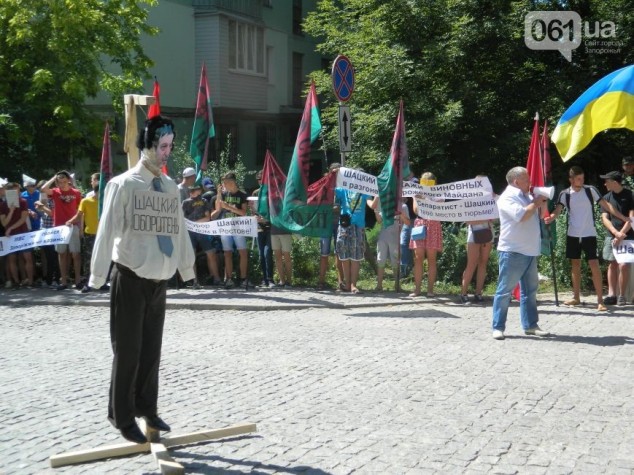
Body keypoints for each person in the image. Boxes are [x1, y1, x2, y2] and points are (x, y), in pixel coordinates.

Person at [88, 116, 195, 444]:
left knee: (151, 350)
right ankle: (122, 416)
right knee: (128, 349)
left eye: (170, 146)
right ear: (147, 145)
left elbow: (179, 231)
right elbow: (106, 230)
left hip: (158, 282)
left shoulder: (170, 189)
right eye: (162, 146)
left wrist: (186, 268)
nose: (167, 152)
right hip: (131, 277)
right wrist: (97, 274)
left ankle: (148, 408)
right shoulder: (123, 185)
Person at [545, 166, 628, 311]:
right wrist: (550, 218)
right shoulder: (565, 194)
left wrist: (622, 217)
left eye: (582, 178)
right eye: (579, 179)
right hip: (572, 234)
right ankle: (576, 297)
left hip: (589, 234)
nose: (582, 181)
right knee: (575, 264)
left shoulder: (590, 190)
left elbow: (607, 205)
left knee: (594, 264)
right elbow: (557, 211)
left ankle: (600, 301)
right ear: (571, 179)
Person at [491, 167, 550, 340]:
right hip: (513, 251)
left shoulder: (527, 196)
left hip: (530, 250)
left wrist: (542, 201)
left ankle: (531, 325)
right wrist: (536, 202)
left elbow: (541, 216)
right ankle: (498, 327)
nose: (530, 182)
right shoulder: (507, 197)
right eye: (526, 179)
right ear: (516, 181)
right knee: (505, 291)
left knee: (530, 292)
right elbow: (522, 216)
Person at [41, 170, 83, 290]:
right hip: (59, 227)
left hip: (73, 226)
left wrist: (80, 228)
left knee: (76, 254)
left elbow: (80, 211)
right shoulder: (55, 192)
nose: (62, 184)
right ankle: (63, 281)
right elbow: (43, 189)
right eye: (60, 182)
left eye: (64, 181)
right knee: (62, 254)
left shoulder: (76, 193)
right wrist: (54, 177)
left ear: (68, 180)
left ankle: (78, 281)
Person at [599, 171, 634, 306]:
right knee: (612, 263)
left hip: (628, 236)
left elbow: (631, 218)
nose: (605, 184)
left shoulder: (630, 195)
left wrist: (621, 234)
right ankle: (611, 295)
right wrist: (615, 233)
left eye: (607, 181)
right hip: (611, 236)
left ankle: (622, 296)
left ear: (614, 182)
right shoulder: (606, 197)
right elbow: (604, 218)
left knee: (624, 265)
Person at [459, 176, 495, 304]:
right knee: (472, 263)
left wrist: (486, 218)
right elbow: (468, 221)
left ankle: (478, 293)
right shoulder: (469, 199)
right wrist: (485, 218)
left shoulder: (491, 198)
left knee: (483, 263)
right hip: (473, 234)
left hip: (488, 233)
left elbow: (495, 217)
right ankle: (463, 293)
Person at [335, 182, 373, 294]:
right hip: (344, 225)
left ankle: (353, 285)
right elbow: (331, 189)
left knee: (356, 256)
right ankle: (347, 284)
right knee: (344, 256)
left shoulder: (365, 190)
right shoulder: (343, 188)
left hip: (358, 226)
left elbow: (372, 205)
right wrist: (334, 175)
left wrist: (377, 196)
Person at [409, 172, 443, 298]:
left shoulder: (440, 193)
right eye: (424, 181)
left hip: (433, 224)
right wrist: (418, 198)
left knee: (431, 259)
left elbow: (437, 209)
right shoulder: (417, 193)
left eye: (429, 182)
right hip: (420, 224)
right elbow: (416, 210)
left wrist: (425, 199)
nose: (426, 184)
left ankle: (430, 290)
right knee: (418, 258)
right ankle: (417, 289)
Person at [182, 182, 221, 287]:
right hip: (190, 232)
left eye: (197, 190)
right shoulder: (185, 202)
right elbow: (182, 218)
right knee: (192, 256)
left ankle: (217, 279)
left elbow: (208, 217)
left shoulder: (204, 201)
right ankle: (195, 281)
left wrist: (194, 223)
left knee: (211, 253)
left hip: (203, 231)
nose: (195, 192)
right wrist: (191, 225)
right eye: (193, 190)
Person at [215, 171, 249, 288]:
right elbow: (218, 208)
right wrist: (219, 193)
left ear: (232, 182)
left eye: (225, 182)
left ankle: (243, 279)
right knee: (227, 253)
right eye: (223, 182)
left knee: (243, 252)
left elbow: (243, 212)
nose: (224, 184)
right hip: (226, 227)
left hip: (239, 227)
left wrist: (229, 207)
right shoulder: (224, 194)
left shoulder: (242, 195)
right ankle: (229, 279)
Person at [67, 173, 100, 292]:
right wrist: (70, 221)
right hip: (90, 234)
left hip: (102, 234)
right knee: (88, 259)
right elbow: (79, 215)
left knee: (101, 258)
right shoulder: (86, 201)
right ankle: (87, 282)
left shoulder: (106, 202)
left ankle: (101, 282)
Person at [0, 182, 34, 288]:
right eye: (14, 191)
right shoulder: (2, 205)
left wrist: (11, 228)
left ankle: (30, 281)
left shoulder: (23, 201)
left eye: (17, 190)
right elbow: (4, 223)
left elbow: (23, 219)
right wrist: (11, 211)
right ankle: (16, 282)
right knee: (12, 258)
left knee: (28, 257)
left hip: (23, 232)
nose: (17, 192)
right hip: (9, 235)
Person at [318, 162, 344, 290]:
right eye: (333, 172)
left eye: (338, 172)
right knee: (324, 253)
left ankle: (341, 282)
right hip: (325, 223)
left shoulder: (344, 185)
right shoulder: (325, 184)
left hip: (339, 222)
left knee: (339, 253)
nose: (336, 174)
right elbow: (318, 200)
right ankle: (321, 281)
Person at [252, 171, 274, 287]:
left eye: (262, 179)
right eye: (258, 180)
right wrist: (255, 216)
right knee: (261, 254)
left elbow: (275, 210)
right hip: (259, 228)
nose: (260, 181)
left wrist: (266, 219)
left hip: (270, 227)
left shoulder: (272, 193)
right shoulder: (255, 193)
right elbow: (253, 210)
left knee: (267, 253)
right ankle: (264, 279)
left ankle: (270, 279)